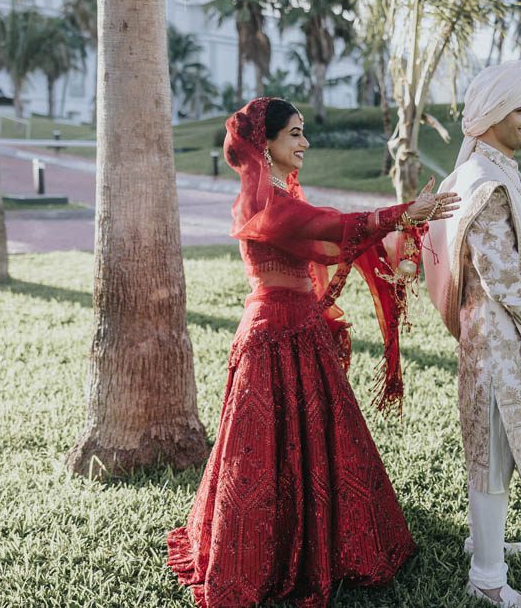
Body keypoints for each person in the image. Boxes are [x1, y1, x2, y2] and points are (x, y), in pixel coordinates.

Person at [167, 97, 460, 608]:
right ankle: (268, 557)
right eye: (295, 134)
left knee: (316, 442)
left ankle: (325, 546)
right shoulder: (266, 205)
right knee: (261, 456)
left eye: (304, 132)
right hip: (272, 337)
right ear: (266, 143)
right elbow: (330, 226)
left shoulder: (277, 193)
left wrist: (398, 221)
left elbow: (327, 226)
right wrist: (400, 213)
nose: (305, 143)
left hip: (298, 330)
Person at [423, 61, 521, 608]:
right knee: (491, 452)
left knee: (497, 451)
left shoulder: (490, 169)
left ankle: (484, 544)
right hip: (495, 346)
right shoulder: (485, 183)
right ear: (491, 116)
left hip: (497, 340)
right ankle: (487, 579)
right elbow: (505, 278)